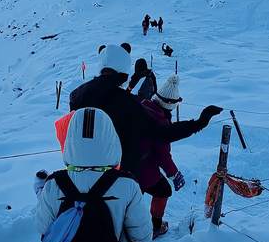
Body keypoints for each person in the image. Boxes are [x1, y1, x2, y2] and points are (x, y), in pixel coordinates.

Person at [36, 107, 152, 242]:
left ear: (70, 140)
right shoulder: (126, 184)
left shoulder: (54, 185)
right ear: (111, 139)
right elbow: (142, 232)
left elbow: (44, 228)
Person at [70, 43, 223, 176]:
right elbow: (161, 133)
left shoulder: (76, 95)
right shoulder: (128, 102)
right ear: (123, 73)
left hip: (77, 169)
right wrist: (199, 123)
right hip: (118, 176)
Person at [138, 75, 185, 239]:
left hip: (126, 164)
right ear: (170, 104)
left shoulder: (141, 106)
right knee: (164, 190)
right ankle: (155, 227)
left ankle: (125, 224)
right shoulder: (160, 122)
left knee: (133, 194)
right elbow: (163, 155)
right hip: (143, 168)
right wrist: (175, 174)